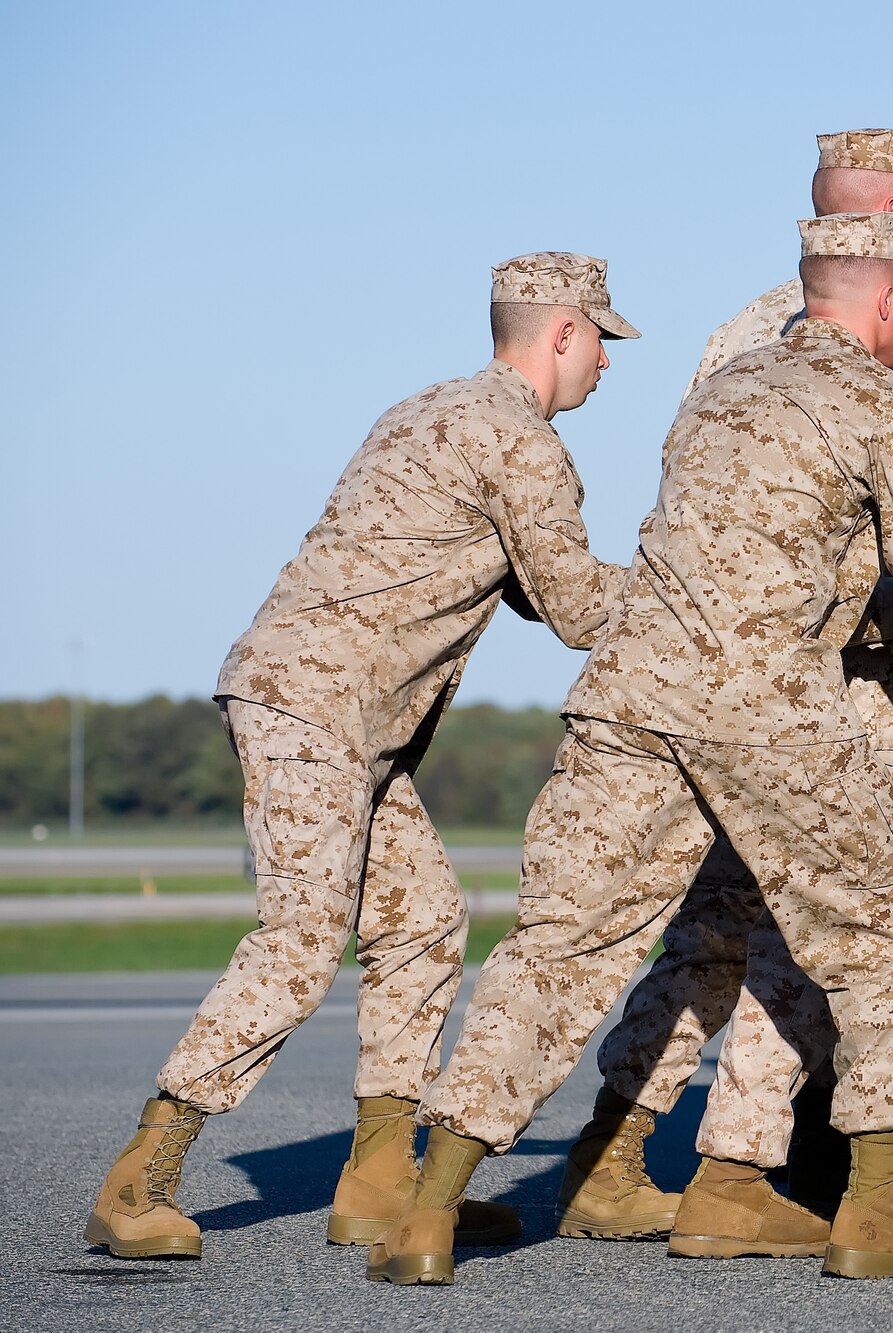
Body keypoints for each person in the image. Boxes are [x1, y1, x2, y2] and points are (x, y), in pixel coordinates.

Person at [368, 210, 893, 1285]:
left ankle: (426, 1214)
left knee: (557, 946)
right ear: (891, 301)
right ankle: (876, 1214)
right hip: (767, 707)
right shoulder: (879, 402)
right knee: (887, 937)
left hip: (629, 699)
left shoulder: (720, 392)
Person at [560, 131, 893, 1258]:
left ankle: (618, 1143)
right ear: (885, 211)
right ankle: (737, 1169)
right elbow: (882, 515)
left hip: (732, 685)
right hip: (826, 689)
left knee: (719, 928)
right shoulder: (833, 336)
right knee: (813, 938)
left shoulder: (756, 334)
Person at [84, 254, 639, 1261]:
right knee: (302, 936)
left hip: (329, 712)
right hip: (319, 711)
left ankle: (379, 1184)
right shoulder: (521, 443)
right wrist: (714, 588)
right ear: (561, 332)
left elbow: (510, 579)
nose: (608, 364)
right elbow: (577, 607)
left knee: (423, 921)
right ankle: (141, 1177)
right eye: (603, 339)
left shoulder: (423, 410)